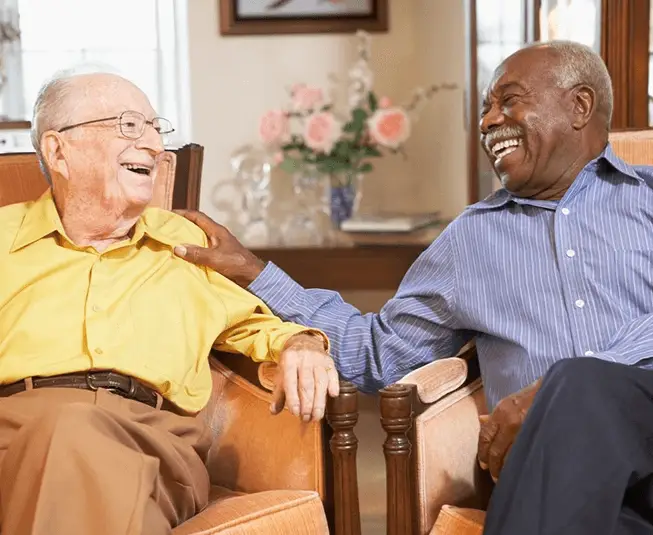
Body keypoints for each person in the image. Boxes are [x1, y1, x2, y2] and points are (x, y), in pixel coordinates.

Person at [175, 40, 653, 534]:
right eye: (487, 108)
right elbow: (379, 354)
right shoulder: (471, 240)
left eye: (509, 100)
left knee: (578, 386)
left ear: (579, 106)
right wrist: (255, 272)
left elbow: (585, 386)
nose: (489, 122)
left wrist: (555, 389)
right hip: (556, 476)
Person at [0, 69, 339, 535]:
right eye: (129, 126)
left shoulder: (187, 243)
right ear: (59, 150)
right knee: (72, 447)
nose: (156, 147)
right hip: (13, 434)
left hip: (153, 441)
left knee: (72, 436)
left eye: (157, 129)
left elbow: (256, 325)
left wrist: (302, 342)